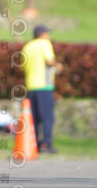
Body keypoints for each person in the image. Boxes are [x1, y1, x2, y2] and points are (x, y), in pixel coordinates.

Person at [21, 24, 63, 153]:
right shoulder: (44, 44)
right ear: (42, 34)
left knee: (34, 117)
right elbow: (50, 61)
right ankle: (46, 144)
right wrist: (58, 65)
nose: (49, 36)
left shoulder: (27, 47)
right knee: (47, 117)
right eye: (47, 33)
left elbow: (23, 67)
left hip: (30, 86)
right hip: (44, 85)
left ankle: (35, 144)